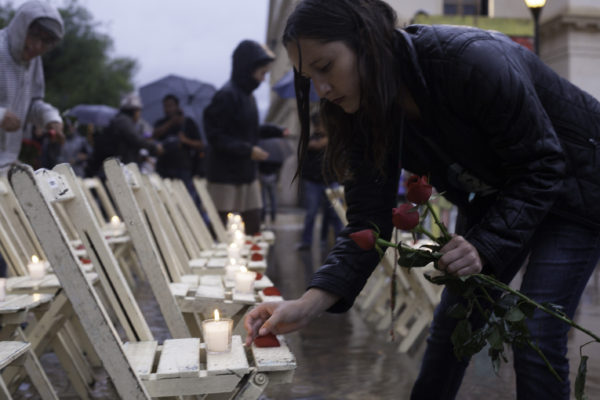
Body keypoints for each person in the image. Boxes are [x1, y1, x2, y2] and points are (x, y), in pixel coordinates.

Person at [244, 1, 600, 399]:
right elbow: (367, 223)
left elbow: (542, 164)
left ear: (367, 40)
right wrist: (307, 304)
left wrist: (484, 245)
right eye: (309, 77)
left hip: (575, 187)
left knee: (537, 331)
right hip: (497, 195)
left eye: (325, 67)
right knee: (452, 326)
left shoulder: (469, 60)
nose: (322, 90)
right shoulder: (361, 109)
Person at [203, 40, 274, 235]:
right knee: (220, 231)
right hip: (224, 178)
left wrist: (275, 131)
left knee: (253, 226)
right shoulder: (226, 96)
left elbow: (248, 130)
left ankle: (251, 265)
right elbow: (215, 136)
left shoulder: (247, 97)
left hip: (246, 174)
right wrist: (248, 150)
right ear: (248, 68)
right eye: (262, 73)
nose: (263, 80)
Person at [0, 0, 64, 174]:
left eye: (46, 41)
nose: (38, 46)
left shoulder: (34, 61)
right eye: (35, 35)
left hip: (6, 161)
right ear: (21, 26)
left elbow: (32, 103)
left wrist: (49, 118)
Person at [87, 93, 162, 177]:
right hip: (118, 166)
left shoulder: (123, 120)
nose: (139, 114)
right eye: (138, 110)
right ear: (133, 110)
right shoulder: (123, 121)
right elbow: (136, 140)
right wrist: (154, 147)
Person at [297, 112, 342, 250]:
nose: (319, 127)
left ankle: (340, 243)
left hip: (331, 179)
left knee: (336, 213)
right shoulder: (313, 139)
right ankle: (306, 242)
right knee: (311, 213)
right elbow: (312, 145)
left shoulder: (334, 138)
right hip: (314, 181)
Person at [153, 94, 203, 207]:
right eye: (166, 106)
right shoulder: (161, 122)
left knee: (185, 201)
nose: (168, 109)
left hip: (183, 169)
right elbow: (154, 136)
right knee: (164, 201)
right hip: (163, 168)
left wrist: (186, 141)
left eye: (171, 106)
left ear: (177, 106)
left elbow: (200, 144)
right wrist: (170, 123)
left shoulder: (188, 123)